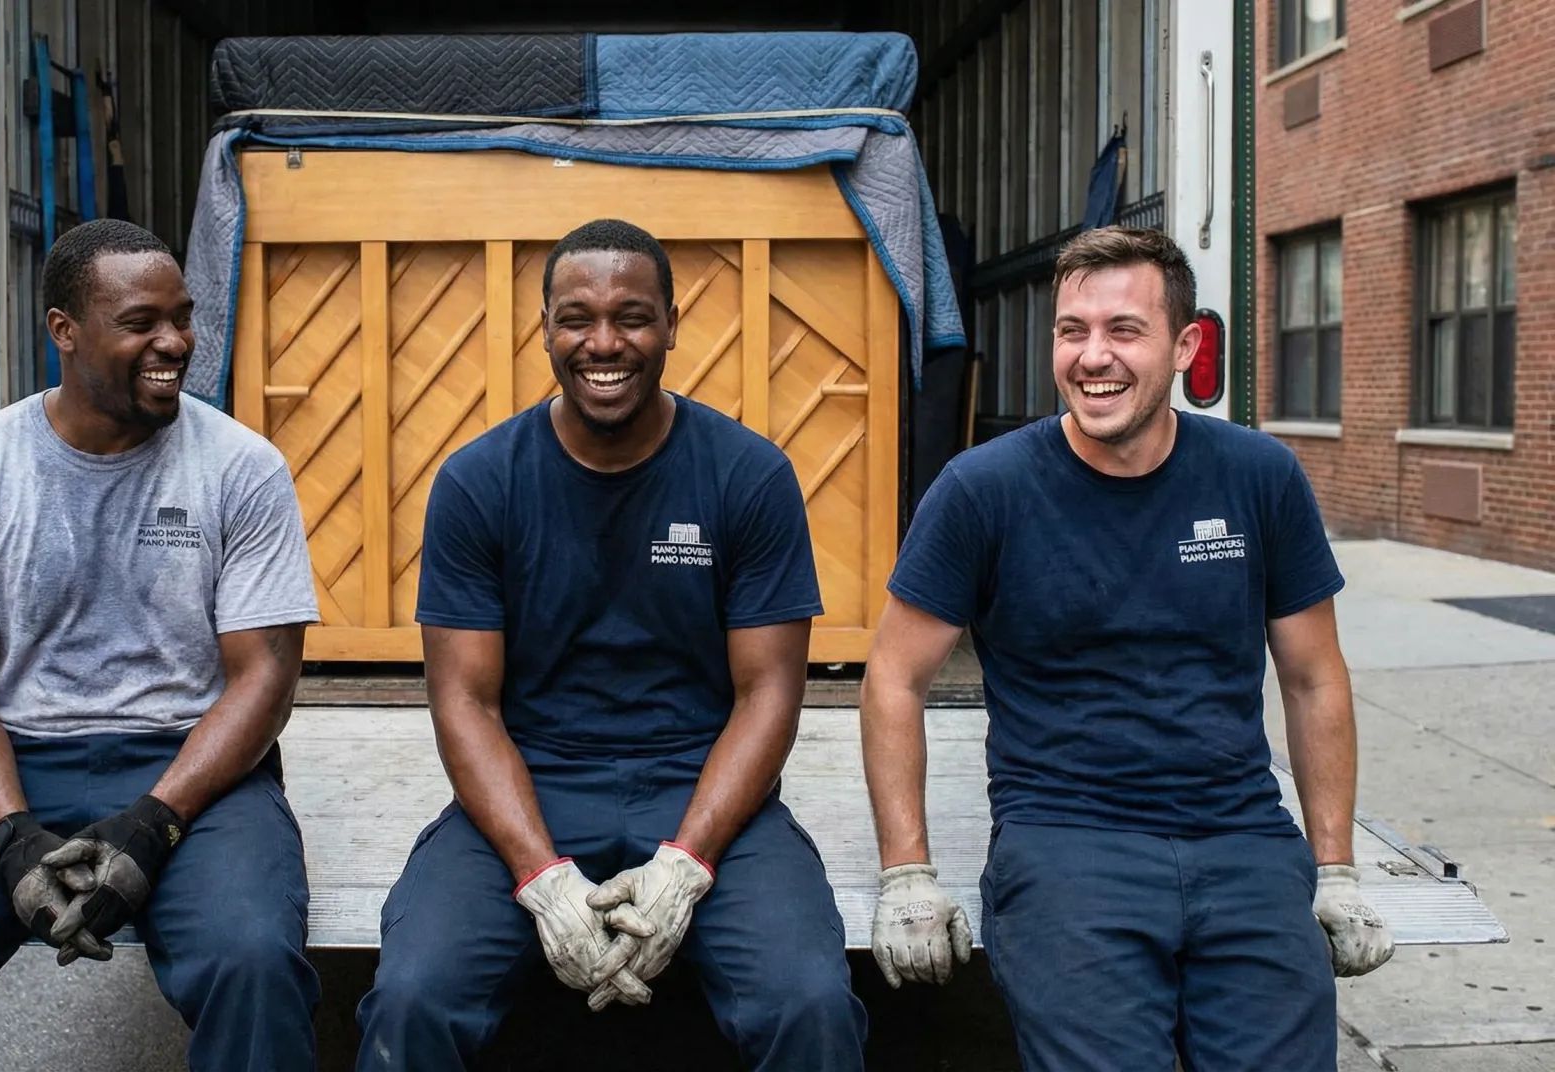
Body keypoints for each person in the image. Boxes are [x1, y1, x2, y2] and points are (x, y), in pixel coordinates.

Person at [858, 225, 1394, 1071]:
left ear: (1184, 346)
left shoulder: (1259, 476)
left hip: (1241, 835)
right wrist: (907, 874)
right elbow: (894, 677)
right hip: (1068, 840)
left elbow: (1314, 677)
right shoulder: (983, 490)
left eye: (1123, 330)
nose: (1091, 357)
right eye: (1072, 331)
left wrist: (1336, 869)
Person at [0, 218, 323, 1071]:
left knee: (254, 964)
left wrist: (156, 825)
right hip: (14, 764)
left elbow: (264, 678)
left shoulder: (242, 468)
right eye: (141, 322)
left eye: (183, 317)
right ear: (64, 330)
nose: (175, 342)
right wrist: (10, 837)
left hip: (192, 771)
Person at [352, 218, 868, 1070]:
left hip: (701, 783)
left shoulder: (748, 474)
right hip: (532, 779)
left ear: (672, 323)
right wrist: (540, 881)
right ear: (543, 329)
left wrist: (689, 864)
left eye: (631, 316)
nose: (604, 342)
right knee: (412, 1002)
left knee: (808, 1004)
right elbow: (465, 702)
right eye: (576, 317)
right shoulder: (481, 481)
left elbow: (770, 693)